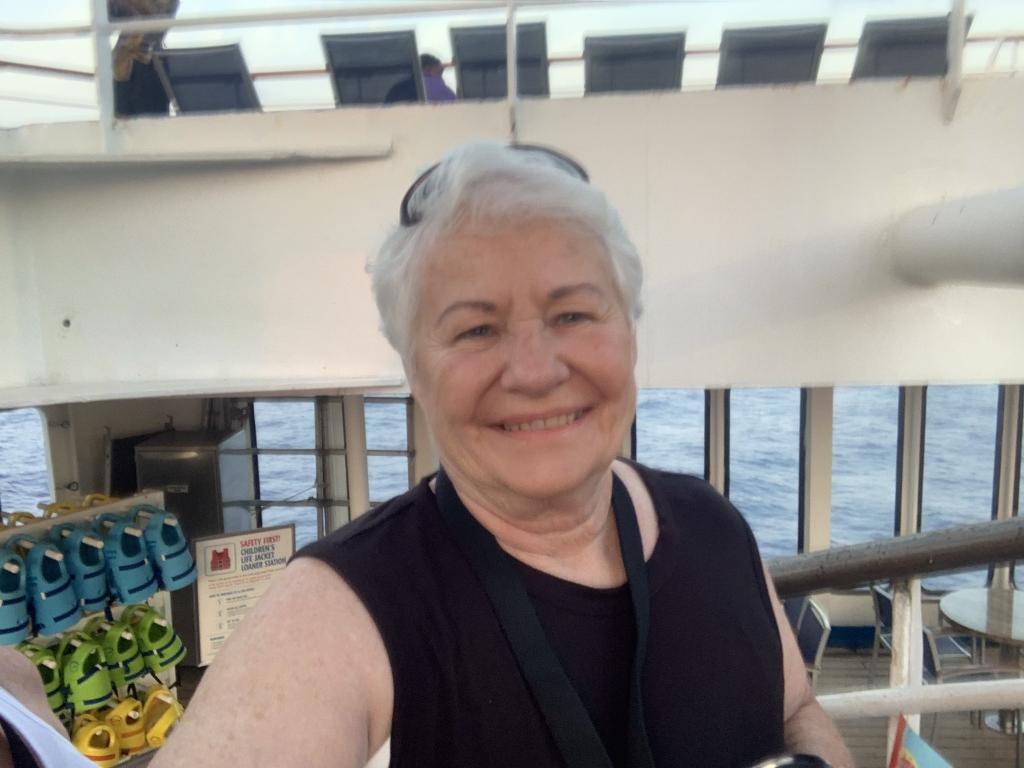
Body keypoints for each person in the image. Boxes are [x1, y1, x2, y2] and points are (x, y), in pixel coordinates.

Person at [150, 142, 853, 767]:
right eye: (477, 329)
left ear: (631, 334)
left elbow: (796, 711)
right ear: (414, 371)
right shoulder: (340, 609)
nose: (535, 371)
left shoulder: (712, 524)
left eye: (573, 314)